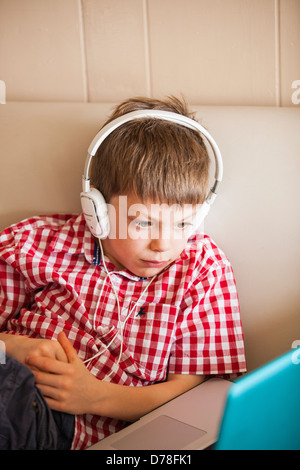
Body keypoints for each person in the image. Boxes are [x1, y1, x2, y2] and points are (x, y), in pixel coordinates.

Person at [0, 96, 246, 450]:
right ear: (96, 209)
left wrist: (94, 397)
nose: (163, 244)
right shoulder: (38, 243)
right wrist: (17, 346)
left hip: (57, 426)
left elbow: (191, 391)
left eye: (183, 223)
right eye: (143, 222)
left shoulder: (201, 270)